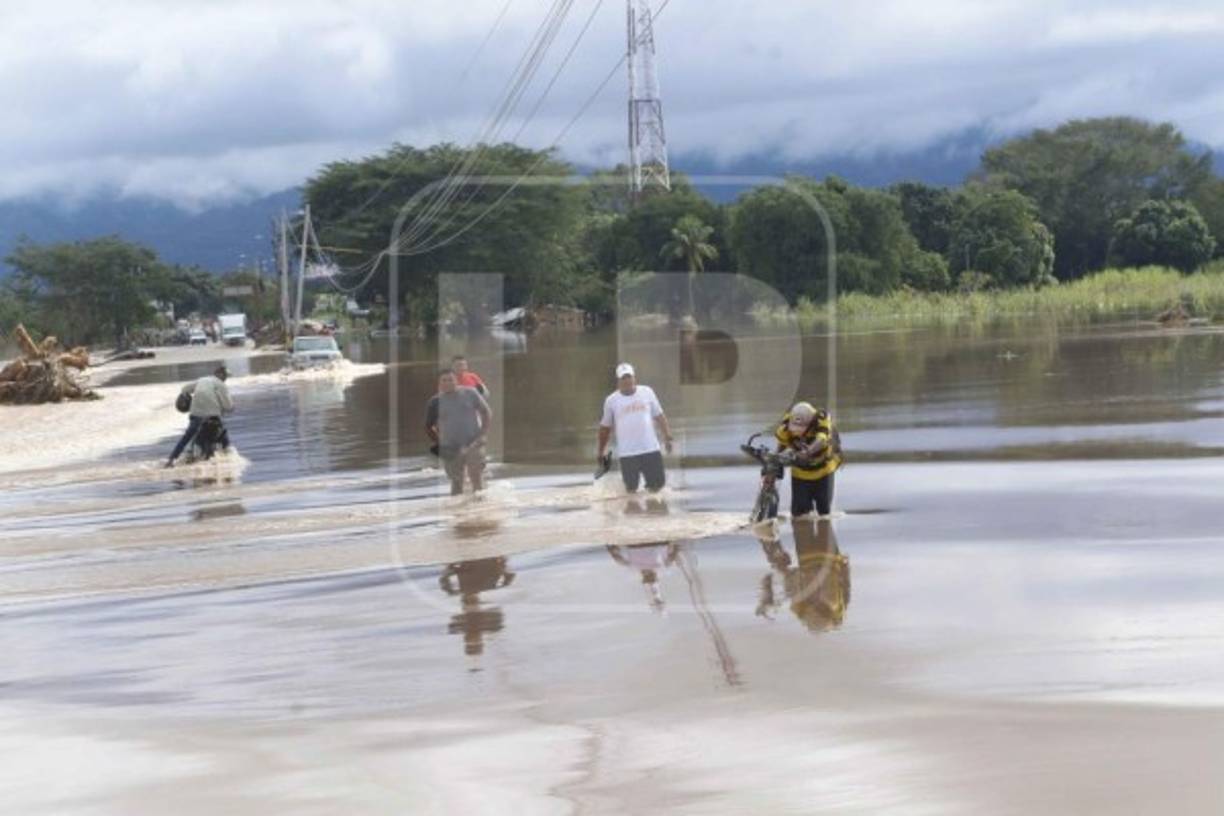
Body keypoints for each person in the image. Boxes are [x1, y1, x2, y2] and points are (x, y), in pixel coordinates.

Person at [597, 363, 675, 493]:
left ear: (634, 377)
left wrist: (668, 436)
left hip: (651, 450)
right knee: (631, 490)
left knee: (658, 486)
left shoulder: (647, 392)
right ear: (618, 381)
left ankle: (653, 511)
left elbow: (660, 415)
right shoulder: (611, 401)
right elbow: (605, 428)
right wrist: (601, 451)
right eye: (623, 378)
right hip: (628, 454)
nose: (627, 380)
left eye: (629, 377)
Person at [426, 368, 493, 495]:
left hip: (474, 442)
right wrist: (440, 443)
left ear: (456, 380)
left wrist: (482, 435)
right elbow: (428, 427)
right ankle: (458, 512)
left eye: (450, 379)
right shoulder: (435, 402)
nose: (447, 383)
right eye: (444, 380)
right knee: (456, 483)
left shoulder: (470, 393)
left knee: (476, 478)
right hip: (451, 446)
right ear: (439, 383)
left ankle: (481, 509)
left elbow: (486, 413)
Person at [774, 401, 841, 518]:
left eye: (800, 429)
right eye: (794, 429)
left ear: (810, 424)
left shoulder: (822, 420)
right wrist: (776, 462)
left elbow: (821, 440)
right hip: (800, 474)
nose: (796, 432)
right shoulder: (785, 426)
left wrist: (808, 452)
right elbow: (781, 446)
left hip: (824, 471)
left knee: (824, 514)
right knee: (799, 515)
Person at [166, 366, 234, 467]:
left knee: (187, 437)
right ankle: (230, 458)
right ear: (220, 375)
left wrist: (191, 397)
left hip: (195, 414)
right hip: (213, 415)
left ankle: (171, 460)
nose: (225, 378)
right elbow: (228, 406)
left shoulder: (202, 380)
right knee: (222, 435)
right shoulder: (222, 385)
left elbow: (184, 389)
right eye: (225, 376)